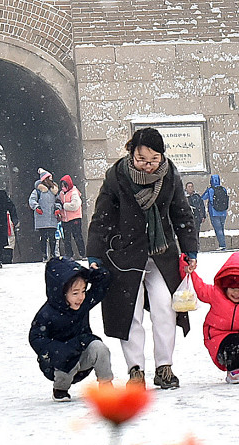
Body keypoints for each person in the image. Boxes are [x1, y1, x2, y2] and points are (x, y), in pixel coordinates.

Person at [87, 127, 199, 390]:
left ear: (162, 156)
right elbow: (102, 217)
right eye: (142, 160)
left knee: (165, 308)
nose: (148, 166)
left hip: (161, 254)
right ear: (131, 154)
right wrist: (94, 253)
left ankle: (165, 367)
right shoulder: (116, 177)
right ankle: (135, 370)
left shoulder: (170, 175)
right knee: (131, 313)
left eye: (153, 160)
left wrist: (189, 249)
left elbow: (181, 213)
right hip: (124, 255)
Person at [29, 257, 113, 402]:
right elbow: (36, 337)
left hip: (82, 354)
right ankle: (60, 390)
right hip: (56, 364)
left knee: (100, 348)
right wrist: (58, 350)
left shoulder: (83, 304)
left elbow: (103, 283)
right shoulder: (47, 313)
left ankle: (106, 385)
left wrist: (92, 273)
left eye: (83, 291)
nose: (81, 297)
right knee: (67, 358)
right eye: (75, 293)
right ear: (61, 293)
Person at [181, 251, 239, 384]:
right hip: (220, 340)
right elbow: (200, 288)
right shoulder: (216, 294)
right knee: (234, 341)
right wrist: (188, 270)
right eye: (232, 288)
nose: (236, 293)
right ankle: (232, 370)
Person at [28, 168, 60, 262]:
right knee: (44, 238)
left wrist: (57, 208)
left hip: (52, 217)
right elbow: (32, 200)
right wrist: (36, 207)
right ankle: (44, 255)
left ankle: (53, 254)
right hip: (42, 218)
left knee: (52, 238)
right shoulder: (38, 191)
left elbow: (58, 201)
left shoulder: (54, 191)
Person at [56, 175, 86, 259]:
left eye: (64, 186)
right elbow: (57, 201)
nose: (63, 188)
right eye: (61, 186)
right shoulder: (61, 194)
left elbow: (74, 206)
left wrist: (64, 205)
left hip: (75, 218)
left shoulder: (74, 193)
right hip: (65, 219)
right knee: (66, 238)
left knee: (77, 236)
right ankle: (69, 254)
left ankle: (82, 253)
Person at [201, 175, 228, 250]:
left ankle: (222, 245)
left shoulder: (210, 190)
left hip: (214, 212)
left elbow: (203, 198)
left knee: (218, 229)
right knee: (221, 228)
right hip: (223, 212)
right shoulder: (223, 189)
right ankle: (223, 244)